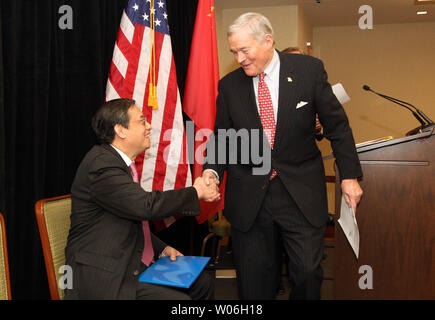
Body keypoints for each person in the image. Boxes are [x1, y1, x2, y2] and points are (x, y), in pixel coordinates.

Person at [202, 13, 363, 300]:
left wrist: (349, 177)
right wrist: (211, 173)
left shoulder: (309, 70)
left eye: (244, 50)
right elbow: (222, 138)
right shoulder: (229, 86)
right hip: (250, 197)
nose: (239, 58)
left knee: (308, 274)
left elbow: (338, 126)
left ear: (267, 40)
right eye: (233, 52)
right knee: (254, 281)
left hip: (300, 193)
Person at [65, 98, 219, 300]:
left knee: (202, 283)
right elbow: (145, 206)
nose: (149, 126)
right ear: (121, 130)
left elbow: (127, 220)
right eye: (142, 121)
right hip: (103, 275)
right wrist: (195, 191)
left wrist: (160, 248)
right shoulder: (101, 165)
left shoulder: (117, 164)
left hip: (128, 261)